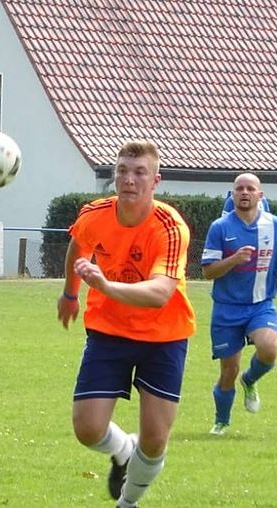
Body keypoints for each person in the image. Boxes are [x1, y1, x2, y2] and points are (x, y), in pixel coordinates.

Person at [57, 140, 195, 508]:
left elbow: (160, 292)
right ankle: (122, 450)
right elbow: (78, 245)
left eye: (139, 172)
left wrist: (105, 286)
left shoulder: (170, 227)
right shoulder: (94, 214)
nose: (129, 179)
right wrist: (70, 293)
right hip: (109, 330)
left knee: (154, 440)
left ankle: (127, 503)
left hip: (164, 336)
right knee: (87, 429)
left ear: (155, 181)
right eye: (122, 171)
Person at [201, 173, 277, 435]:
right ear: (233, 194)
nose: (245, 192)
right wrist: (233, 260)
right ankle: (221, 421)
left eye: (250, 188)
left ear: (260, 195)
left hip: (261, 305)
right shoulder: (220, 227)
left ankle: (249, 380)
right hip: (226, 308)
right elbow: (208, 272)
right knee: (228, 371)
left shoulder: (276, 224)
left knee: (269, 349)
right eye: (239, 189)